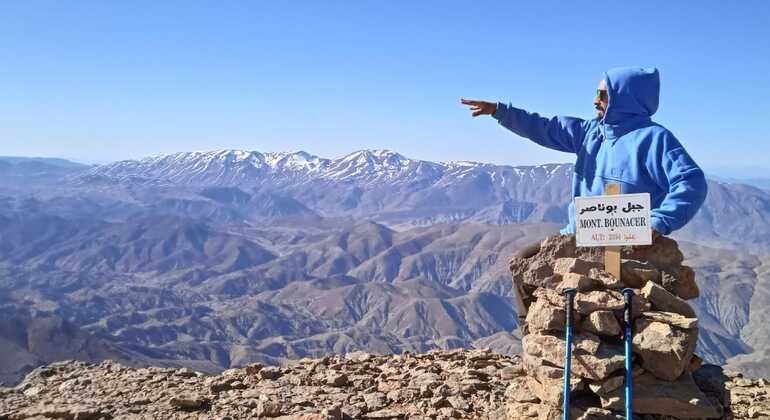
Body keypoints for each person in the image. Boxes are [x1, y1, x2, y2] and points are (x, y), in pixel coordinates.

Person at [461, 67, 708, 323]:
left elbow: (690, 181)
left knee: (614, 303)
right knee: (523, 265)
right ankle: (534, 346)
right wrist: (500, 111)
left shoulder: (654, 139)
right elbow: (545, 128)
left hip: (627, 241)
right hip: (580, 233)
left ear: (625, 96)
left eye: (602, 93)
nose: (595, 100)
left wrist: (659, 221)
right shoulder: (591, 133)